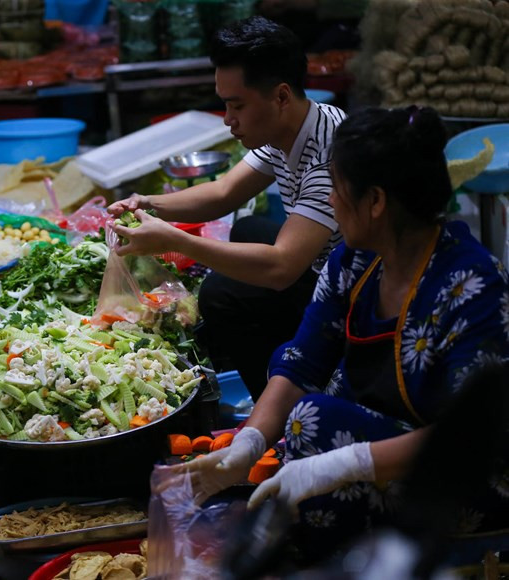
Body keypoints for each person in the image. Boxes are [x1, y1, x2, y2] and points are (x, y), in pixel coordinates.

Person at [169, 106, 509, 557]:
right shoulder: (353, 262)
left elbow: (471, 436)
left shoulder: (472, 285)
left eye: (337, 188)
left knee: (313, 424)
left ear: (375, 202)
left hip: (458, 480)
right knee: (304, 426)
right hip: (380, 442)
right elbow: (302, 361)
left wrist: (344, 464)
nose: (330, 201)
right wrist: (248, 443)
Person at [110, 16, 345, 399]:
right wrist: (147, 203)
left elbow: (282, 268)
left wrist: (174, 241)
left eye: (237, 105)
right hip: (321, 260)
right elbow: (223, 193)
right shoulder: (295, 123)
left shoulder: (328, 161)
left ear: (281, 96)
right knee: (248, 228)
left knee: (221, 293)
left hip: (351, 291)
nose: (228, 119)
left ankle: (284, 402)